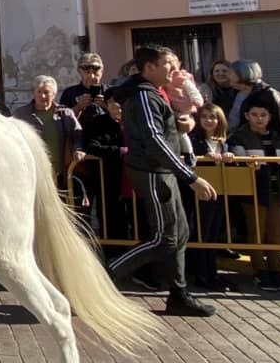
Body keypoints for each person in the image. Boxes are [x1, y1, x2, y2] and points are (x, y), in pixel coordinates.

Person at [107, 45, 218, 317]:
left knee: (179, 235)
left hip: (163, 172)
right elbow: (154, 140)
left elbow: (160, 132)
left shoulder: (153, 93)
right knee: (163, 239)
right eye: (168, 64)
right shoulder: (144, 96)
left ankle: (178, 295)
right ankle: (100, 276)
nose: (174, 69)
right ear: (150, 67)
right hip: (153, 174)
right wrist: (190, 177)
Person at [227, 103, 280, 291]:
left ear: (270, 117)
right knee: (257, 233)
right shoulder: (240, 136)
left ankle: (276, 272)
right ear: (247, 115)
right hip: (255, 193)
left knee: (275, 234)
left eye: (263, 115)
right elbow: (239, 160)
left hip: (279, 191)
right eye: (255, 114)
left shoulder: (279, 137)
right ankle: (260, 271)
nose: (259, 118)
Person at [189, 103, 233, 291]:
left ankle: (212, 273)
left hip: (220, 192)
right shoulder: (195, 140)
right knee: (203, 233)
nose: (209, 120)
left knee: (214, 234)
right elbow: (190, 160)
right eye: (205, 116)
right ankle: (201, 274)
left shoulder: (223, 142)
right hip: (202, 192)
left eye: (213, 117)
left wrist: (230, 158)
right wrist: (205, 155)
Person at [13, 75, 85, 189]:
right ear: (34, 93)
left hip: (61, 173)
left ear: (54, 94)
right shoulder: (21, 114)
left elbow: (77, 135)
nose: (42, 96)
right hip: (34, 175)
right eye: (39, 92)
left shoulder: (66, 113)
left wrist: (78, 149)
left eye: (46, 92)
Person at [81, 88, 129, 244]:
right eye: (114, 105)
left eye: (122, 104)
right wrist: (120, 151)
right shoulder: (99, 123)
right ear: (107, 105)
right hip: (109, 179)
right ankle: (113, 257)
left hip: (133, 180)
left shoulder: (135, 121)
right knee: (111, 221)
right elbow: (92, 146)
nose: (119, 108)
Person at [59, 52, 109, 126]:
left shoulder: (110, 92)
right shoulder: (69, 93)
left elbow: (122, 118)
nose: (91, 76)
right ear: (80, 72)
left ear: (102, 72)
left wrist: (106, 106)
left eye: (95, 72)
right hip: (81, 136)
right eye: (87, 72)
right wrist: (78, 107)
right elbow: (62, 121)